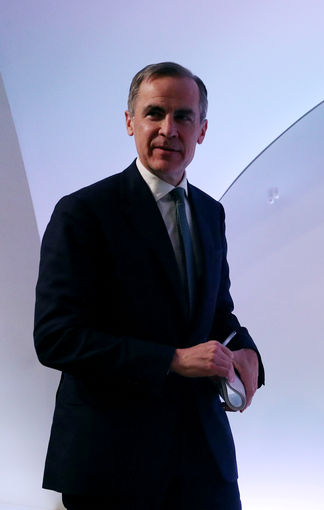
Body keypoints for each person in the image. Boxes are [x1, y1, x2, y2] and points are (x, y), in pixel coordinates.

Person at [33, 62, 264, 509]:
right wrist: (171, 360)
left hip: (203, 463)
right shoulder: (83, 213)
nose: (167, 129)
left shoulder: (210, 213)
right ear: (129, 121)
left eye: (183, 117)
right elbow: (56, 337)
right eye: (154, 113)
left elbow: (217, 313)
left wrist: (247, 350)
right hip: (112, 467)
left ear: (202, 130)